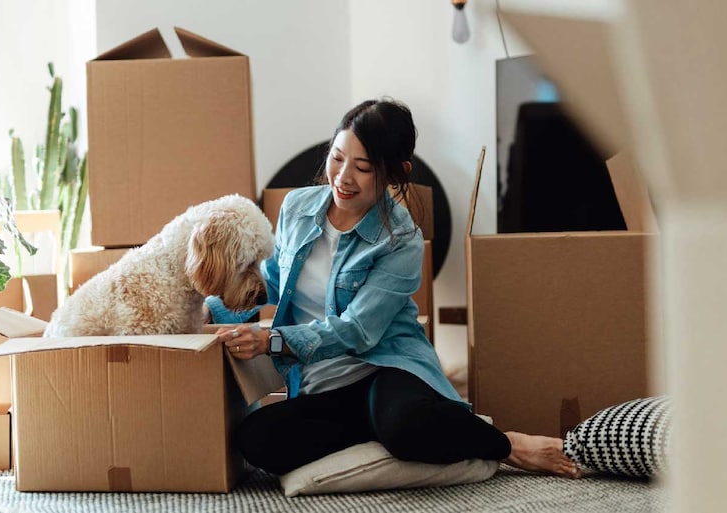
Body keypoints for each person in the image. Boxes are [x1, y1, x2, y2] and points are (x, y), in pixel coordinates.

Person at [204, 98, 581, 479]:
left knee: (404, 427)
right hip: (325, 387)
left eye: (363, 167)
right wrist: (208, 309)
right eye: (338, 158)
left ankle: (509, 445)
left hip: (385, 369)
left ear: (395, 173)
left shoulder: (401, 239)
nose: (343, 177)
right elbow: (271, 281)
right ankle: (388, 428)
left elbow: (359, 330)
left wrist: (271, 340)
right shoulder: (296, 208)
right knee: (256, 440)